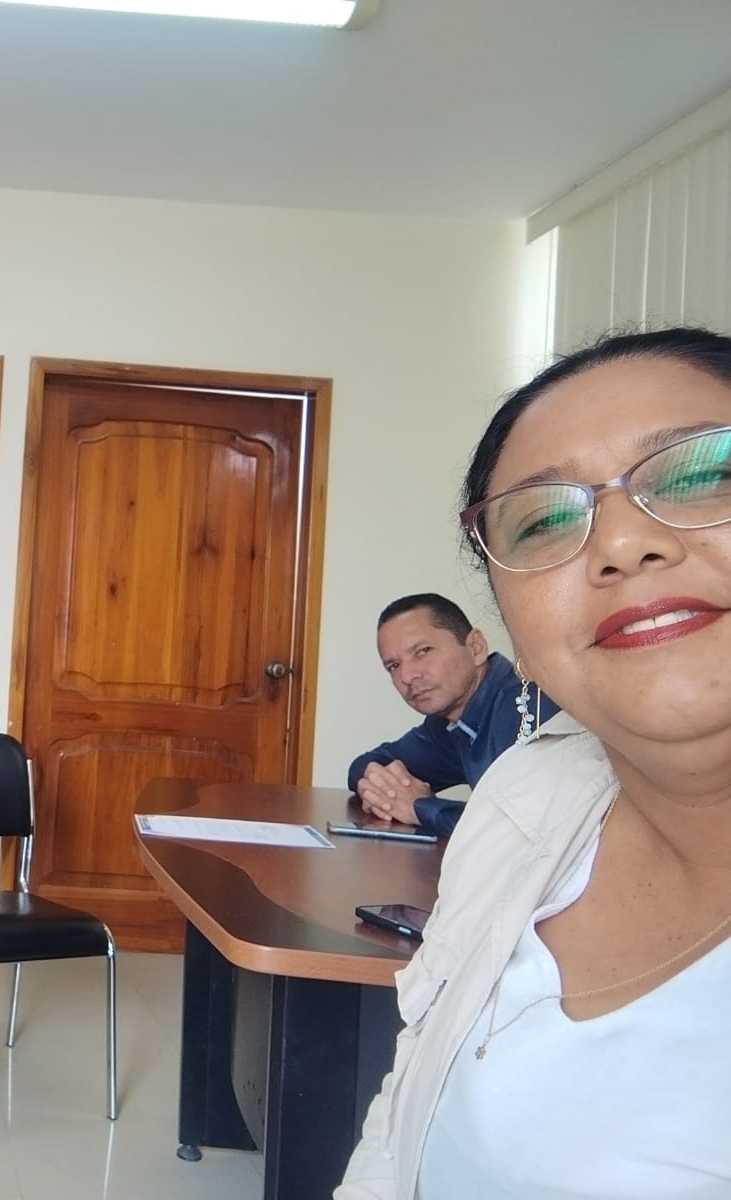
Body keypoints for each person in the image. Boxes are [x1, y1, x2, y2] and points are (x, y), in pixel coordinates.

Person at [338, 327, 731, 1199]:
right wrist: (388, 779)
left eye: (703, 473)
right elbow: (405, 1100)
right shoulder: (528, 785)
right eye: (546, 520)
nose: (622, 543)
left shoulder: (517, 720)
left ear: (482, 648)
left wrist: (422, 808)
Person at [347, 593, 558, 836]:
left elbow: (524, 832)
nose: (407, 676)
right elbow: (366, 764)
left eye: (423, 651)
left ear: (476, 647)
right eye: (394, 666)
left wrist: (419, 807)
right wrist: (381, 789)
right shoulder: (451, 723)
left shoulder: (526, 709)